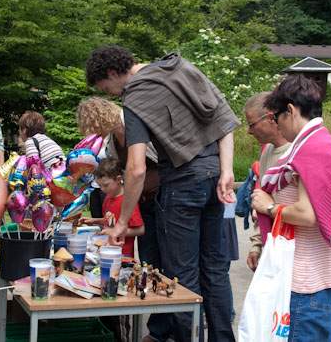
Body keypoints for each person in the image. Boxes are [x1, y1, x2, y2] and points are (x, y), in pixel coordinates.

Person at [86, 45, 238, 342]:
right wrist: (227, 170)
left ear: (113, 73)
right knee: (214, 271)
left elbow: (136, 168)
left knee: (182, 276)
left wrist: (122, 222)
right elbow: (224, 120)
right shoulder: (181, 69)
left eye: (106, 88)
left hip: (182, 186)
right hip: (214, 179)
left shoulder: (135, 96)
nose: (111, 95)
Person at [251, 74, 331, 342]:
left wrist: (270, 207)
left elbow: (308, 215)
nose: (276, 125)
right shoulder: (321, 142)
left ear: (291, 110)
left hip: (307, 286)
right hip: (317, 281)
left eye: (276, 117)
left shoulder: (312, 149)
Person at [76, 96, 161, 268]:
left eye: (92, 127)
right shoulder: (111, 141)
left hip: (160, 197)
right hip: (142, 197)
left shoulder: (133, 126)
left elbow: (151, 162)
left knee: (160, 253)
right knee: (148, 253)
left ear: (99, 119)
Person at [243, 92, 290, 271]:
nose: (249, 131)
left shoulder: (298, 152)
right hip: (274, 248)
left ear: (270, 118)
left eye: (252, 124)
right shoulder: (267, 152)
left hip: (297, 254)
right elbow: (261, 203)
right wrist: (257, 245)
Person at [81, 157, 145, 258]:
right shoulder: (108, 197)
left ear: (118, 179)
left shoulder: (127, 202)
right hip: (107, 249)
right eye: (100, 186)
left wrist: (115, 231)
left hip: (123, 254)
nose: (102, 189)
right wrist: (95, 221)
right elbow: (111, 220)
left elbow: (140, 230)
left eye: (106, 185)